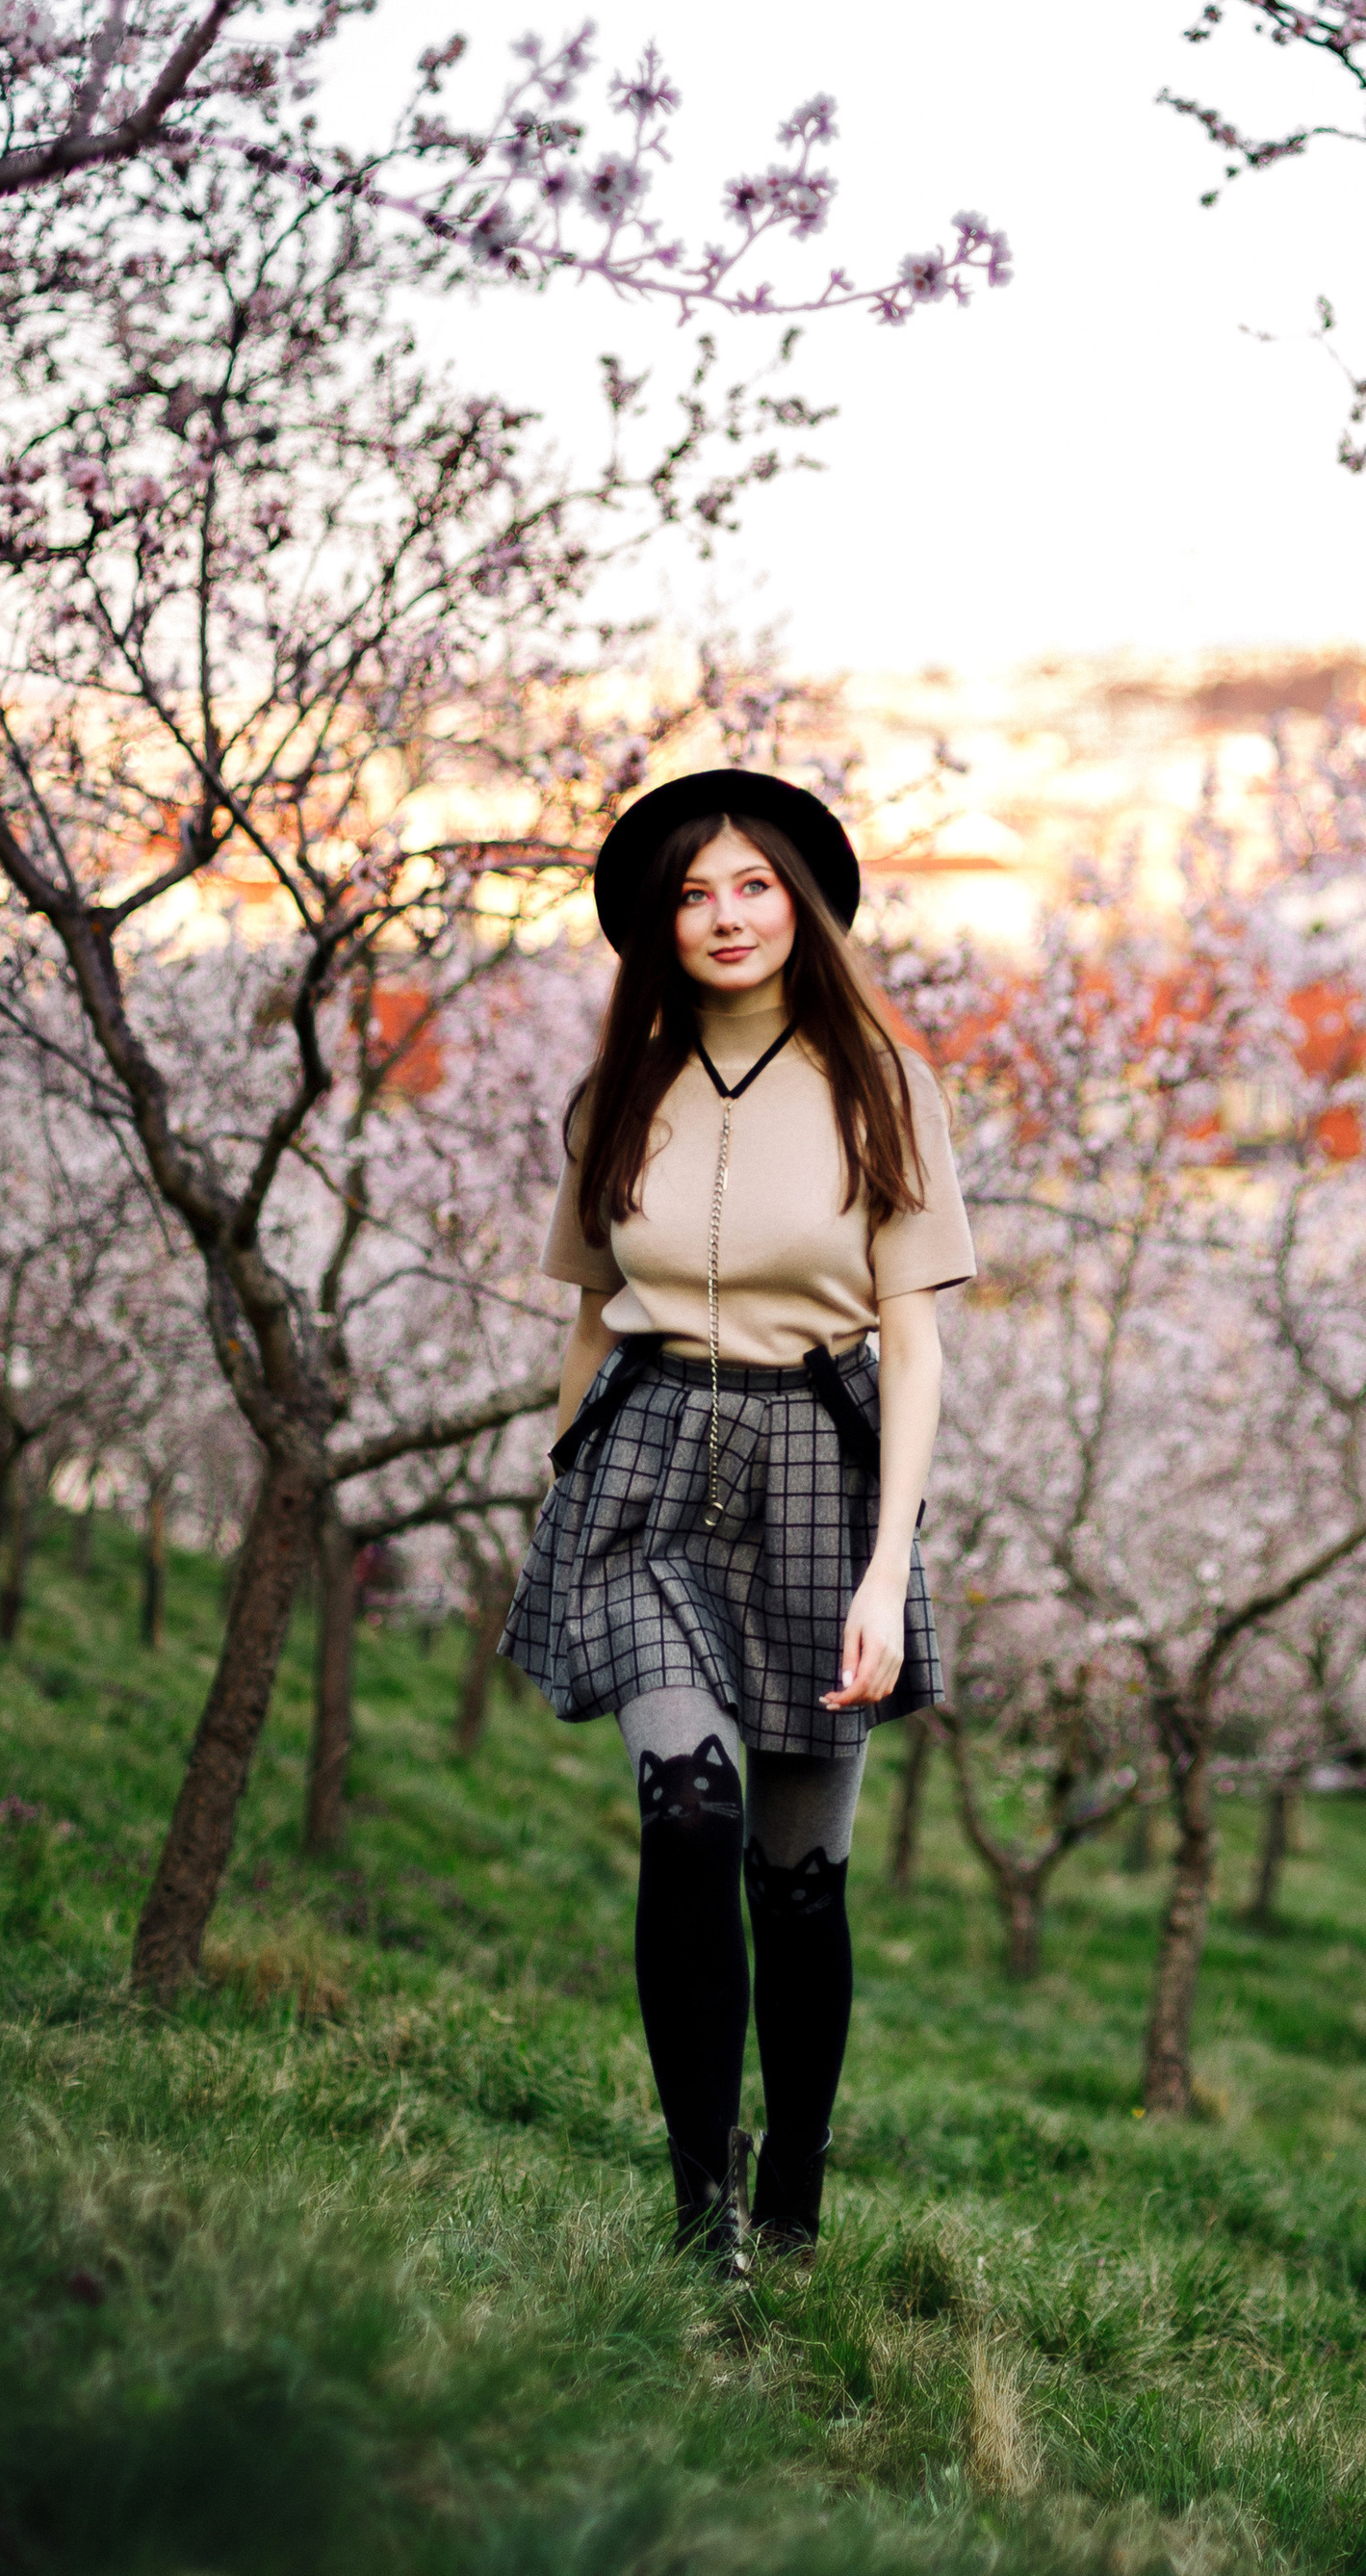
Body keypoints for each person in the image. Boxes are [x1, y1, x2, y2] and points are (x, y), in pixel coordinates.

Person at [501, 768, 969, 2273]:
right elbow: (586, 1314)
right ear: (659, 922)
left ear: (804, 903)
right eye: (693, 893)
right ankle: (699, 2215)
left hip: (821, 1473)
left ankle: (797, 2193)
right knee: (685, 1820)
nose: (723, 915)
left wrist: (889, 1569)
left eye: (750, 885)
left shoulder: (883, 1086)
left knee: (798, 1876)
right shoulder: (615, 1093)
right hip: (645, 1467)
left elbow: (915, 1338)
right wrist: (560, 1476)